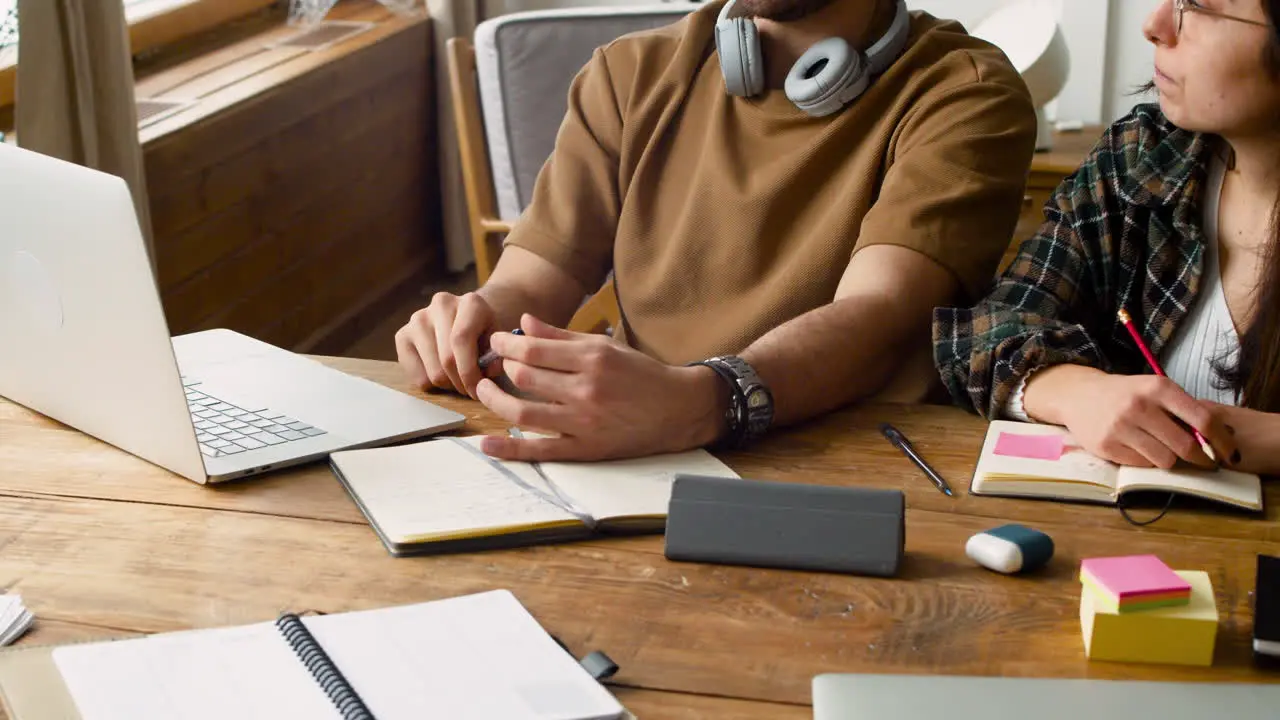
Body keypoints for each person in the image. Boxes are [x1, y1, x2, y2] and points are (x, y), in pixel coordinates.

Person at [399, 0, 1036, 462]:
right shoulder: (629, 73)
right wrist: (473, 317)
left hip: (847, 460)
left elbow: (878, 313)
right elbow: (538, 277)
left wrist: (704, 401)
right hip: (632, 447)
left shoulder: (966, 92)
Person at [935, 0, 1280, 476]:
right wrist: (1076, 392)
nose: (1154, 26)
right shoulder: (1145, 156)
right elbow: (985, 330)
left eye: (1196, 6)